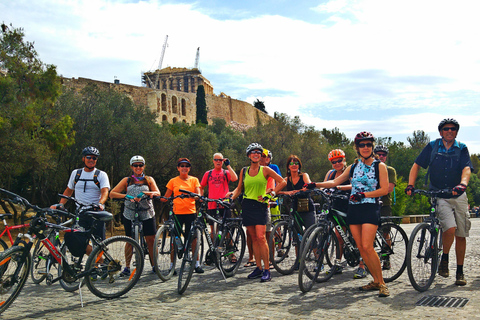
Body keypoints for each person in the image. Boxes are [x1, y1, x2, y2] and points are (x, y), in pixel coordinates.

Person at [307, 132, 390, 297]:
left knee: (367, 246)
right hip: (354, 209)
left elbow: (384, 189)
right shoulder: (353, 167)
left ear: (372, 147)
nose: (365, 148)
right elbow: (335, 182)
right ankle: (374, 280)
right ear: (357, 148)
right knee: (361, 248)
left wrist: (364, 195)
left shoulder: (379, 166)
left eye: (368, 144)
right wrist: (315, 184)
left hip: (369, 207)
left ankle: (381, 283)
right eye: (362, 145)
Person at [405, 118, 472, 286]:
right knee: (450, 228)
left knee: (461, 234)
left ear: (456, 132)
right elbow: (416, 165)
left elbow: (466, 168)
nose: (449, 131)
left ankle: (459, 271)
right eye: (446, 129)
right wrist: (410, 185)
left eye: (453, 129)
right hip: (440, 195)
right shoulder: (432, 146)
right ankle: (445, 257)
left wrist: (463, 184)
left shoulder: (461, 148)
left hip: (458, 195)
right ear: (440, 131)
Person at [232, 143, 286, 282]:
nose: (256, 155)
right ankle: (258, 267)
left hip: (261, 206)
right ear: (249, 155)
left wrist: (271, 194)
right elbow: (239, 189)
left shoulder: (266, 170)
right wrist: (230, 198)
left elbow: (282, 182)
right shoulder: (244, 171)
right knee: (254, 238)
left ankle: (267, 269)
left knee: (261, 237)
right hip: (247, 205)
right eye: (253, 152)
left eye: (259, 153)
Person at [109, 155, 161, 275]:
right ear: (131, 167)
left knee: (151, 239)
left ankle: (154, 265)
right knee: (129, 240)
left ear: (144, 166)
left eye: (140, 165)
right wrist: (126, 196)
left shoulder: (149, 179)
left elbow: (157, 192)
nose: (138, 167)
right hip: (130, 213)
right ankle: (127, 267)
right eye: (135, 165)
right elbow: (112, 193)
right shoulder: (126, 180)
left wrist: (146, 193)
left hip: (147, 212)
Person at [54, 146, 110, 246]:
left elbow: (105, 192)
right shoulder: (76, 173)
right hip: (80, 213)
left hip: (96, 213)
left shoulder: (101, 174)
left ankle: (102, 260)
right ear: (83, 158)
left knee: (99, 243)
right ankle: (92, 259)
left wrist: (100, 204)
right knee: (77, 240)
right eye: (89, 157)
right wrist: (60, 205)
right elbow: (68, 191)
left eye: (94, 158)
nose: (91, 160)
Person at [162, 158, 203, 273]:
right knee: (175, 239)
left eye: (187, 166)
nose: (184, 168)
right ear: (178, 168)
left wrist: (193, 196)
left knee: (194, 238)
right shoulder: (173, 181)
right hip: (177, 213)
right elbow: (166, 197)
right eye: (182, 166)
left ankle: (196, 263)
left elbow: (198, 194)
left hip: (190, 212)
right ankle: (172, 265)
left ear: (189, 168)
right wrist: (155, 196)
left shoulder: (194, 180)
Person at [277, 155, 315, 264]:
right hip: (294, 208)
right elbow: (277, 190)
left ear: (299, 165)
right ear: (288, 166)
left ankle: (318, 259)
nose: (294, 165)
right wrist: (286, 192)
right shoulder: (286, 179)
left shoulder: (304, 176)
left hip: (306, 207)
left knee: (312, 233)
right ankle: (299, 261)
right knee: (296, 236)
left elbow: (308, 186)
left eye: (296, 163)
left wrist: (300, 191)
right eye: (291, 163)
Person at [323, 149, 353, 276]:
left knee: (356, 236)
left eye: (339, 160)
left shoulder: (349, 172)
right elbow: (325, 185)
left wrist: (339, 187)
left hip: (350, 205)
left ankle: (363, 264)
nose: (337, 163)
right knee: (339, 237)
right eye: (334, 162)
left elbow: (354, 185)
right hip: (336, 206)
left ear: (344, 160)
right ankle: (338, 263)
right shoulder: (330, 174)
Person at [200, 153, 238, 251]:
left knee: (227, 229)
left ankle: (230, 252)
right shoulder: (208, 174)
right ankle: (213, 252)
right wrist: (201, 197)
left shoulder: (226, 172)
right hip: (212, 204)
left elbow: (235, 178)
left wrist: (228, 165)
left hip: (224, 204)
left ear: (223, 161)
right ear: (213, 161)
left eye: (220, 160)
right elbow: (202, 186)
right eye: (216, 160)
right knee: (212, 230)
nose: (218, 162)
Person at [373, 145, 397, 272]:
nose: (381, 156)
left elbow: (389, 188)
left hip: (384, 204)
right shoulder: (370, 168)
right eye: (378, 154)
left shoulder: (390, 170)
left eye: (383, 154)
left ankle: (386, 258)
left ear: (386, 157)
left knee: (385, 231)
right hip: (370, 203)